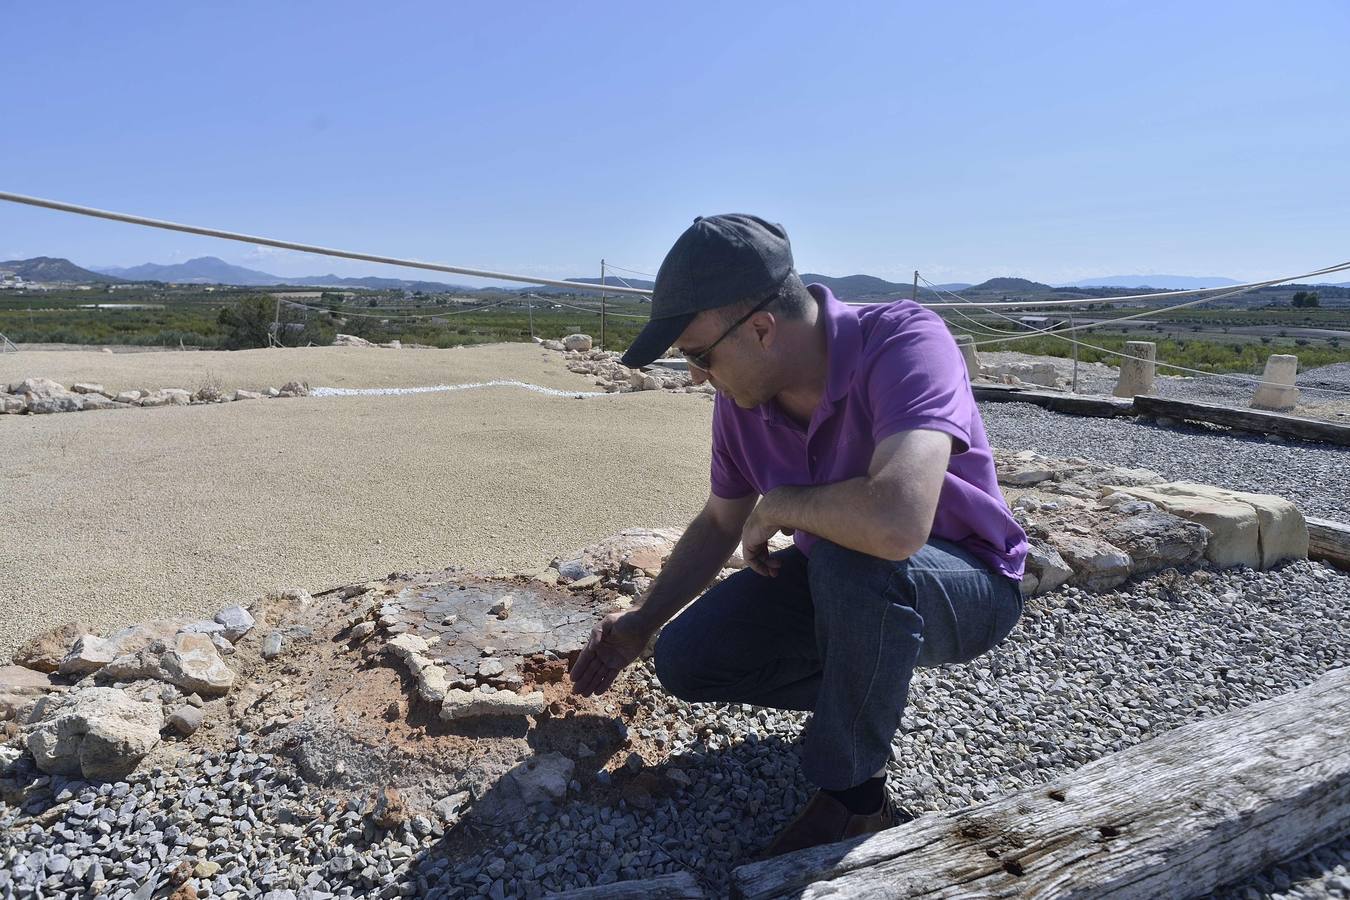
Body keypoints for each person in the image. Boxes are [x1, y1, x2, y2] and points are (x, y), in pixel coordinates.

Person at [568, 213, 1028, 858]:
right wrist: (641, 623)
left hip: (964, 579)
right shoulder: (743, 401)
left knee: (855, 559)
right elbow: (720, 522)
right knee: (687, 657)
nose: (699, 376)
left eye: (700, 356)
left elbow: (896, 524)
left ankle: (854, 800)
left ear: (760, 327)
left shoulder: (903, 340)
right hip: (844, 576)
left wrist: (784, 503)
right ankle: (862, 688)